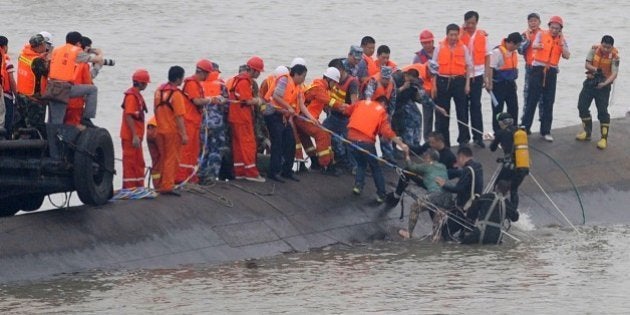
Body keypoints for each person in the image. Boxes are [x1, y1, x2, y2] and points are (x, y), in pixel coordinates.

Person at [346, 96, 409, 203]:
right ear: (383, 104)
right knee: (375, 167)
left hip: (351, 140)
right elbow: (387, 131)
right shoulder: (381, 112)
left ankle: (358, 186)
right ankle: (381, 194)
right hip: (366, 143)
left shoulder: (361, 103)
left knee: (361, 164)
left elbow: (347, 110)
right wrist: (401, 144)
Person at [520, 16, 570, 142]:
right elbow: (535, 45)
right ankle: (525, 127)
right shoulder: (541, 34)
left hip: (551, 71)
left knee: (549, 101)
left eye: (557, 28)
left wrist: (562, 43)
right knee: (532, 99)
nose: (554, 30)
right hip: (537, 69)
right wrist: (540, 45)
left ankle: (546, 131)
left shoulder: (562, 40)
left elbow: (567, 55)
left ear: (560, 29)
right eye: (552, 27)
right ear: (549, 27)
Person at [392, 149, 454, 239]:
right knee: (438, 214)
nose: (423, 159)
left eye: (425, 157)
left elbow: (411, 167)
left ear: (429, 158)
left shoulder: (427, 165)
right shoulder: (443, 166)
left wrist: (407, 155)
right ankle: (436, 237)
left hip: (435, 194)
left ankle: (409, 233)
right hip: (448, 196)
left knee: (415, 207)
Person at [47, 31, 103, 126]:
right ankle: (87, 117)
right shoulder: (77, 53)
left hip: (51, 88)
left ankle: (50, 138)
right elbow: (97, 60)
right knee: (93, 89)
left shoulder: (57, 50)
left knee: (54, 121)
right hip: (66, 91)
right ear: (78, 43)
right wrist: (99, 53)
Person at [431, 23, 473, 147]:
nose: (453, 37)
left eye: (455, 35)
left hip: (459, 81)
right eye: (451, 35)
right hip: (443, 81)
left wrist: (467, 84)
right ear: (447, 35)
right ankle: (444, 143)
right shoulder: (439, 48)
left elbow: (469, 66)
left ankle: (463, 140)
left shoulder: (463, 48)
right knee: (443, 113)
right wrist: (434, 86)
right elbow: (433, 68)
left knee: (462, 112)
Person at [298, 67, 345, 173]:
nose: (334, 86)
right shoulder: (319, 88)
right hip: (305, 118)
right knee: (322, 135)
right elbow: (328, 101)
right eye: (334, 83)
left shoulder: (318, 86)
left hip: (304, 117)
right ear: (330, 80)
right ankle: (326, 165)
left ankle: (315, 161)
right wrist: (342, 106)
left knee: (318, 136)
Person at [176, 59, 216, 184]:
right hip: (188, 121)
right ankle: (181, 177)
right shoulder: (191, 83)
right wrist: (211, 100)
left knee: (194, 150)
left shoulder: (197, 84)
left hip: (195, 121)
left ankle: (191, 175)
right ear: (204, 72)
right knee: (186, 150)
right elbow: (197, 101)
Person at [575, 35, 619, 150]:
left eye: (608, 48)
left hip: (604, 85)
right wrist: (596, 70)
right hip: (591, 81)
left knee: (602, 112)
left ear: (612, 47)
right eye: (604, 46)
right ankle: (587, 132)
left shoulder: (615, 56)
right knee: (582, 106)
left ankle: (603, 138)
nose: (605, 49)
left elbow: (614, 73)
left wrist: (605, 83)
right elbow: (587, 64)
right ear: (601, 44)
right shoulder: (594, 49)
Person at [267, 63, 309, 182]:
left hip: (283, 116)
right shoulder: (285, 80)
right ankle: (273, 172)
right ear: (296, 74)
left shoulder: (298, 86)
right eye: (303, 76)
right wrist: (288, 107)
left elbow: (301, 105)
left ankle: (287, 171)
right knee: (278, 143)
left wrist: (312, 119)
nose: (304, 79)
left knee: (291, 142)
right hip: (273, 114)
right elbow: (276, 96)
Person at [228, 56, 266, 182]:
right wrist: (258, 100)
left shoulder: (236, 79)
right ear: (254, 70)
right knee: (248, 145)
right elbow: (246, 100)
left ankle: (240, 171)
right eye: (259, 71)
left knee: (238, 145)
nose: (259, 74)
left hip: (235, 117)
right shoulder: (244, 82)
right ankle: (251, 173)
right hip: (242, 118)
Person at [435, 146, 483, 240]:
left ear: (461, 157)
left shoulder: (467, 170)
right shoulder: (478, 166)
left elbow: (459, 189)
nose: (457, 162)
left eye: (458, 159)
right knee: (464, 236)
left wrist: (444, 185)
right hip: (474, 208)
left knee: (446, 232)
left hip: (464, 209)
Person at [392, 68, 444, 153]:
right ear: (406, 75)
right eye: (409, 79)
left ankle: (416, 143)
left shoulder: (415, 83)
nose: (409, 81)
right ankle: (409, 146)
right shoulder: (396, 79)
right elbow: (391, 94)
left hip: (406, 100)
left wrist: (437, 107)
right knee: (406, 123)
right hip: (395, 103)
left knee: (417, 116)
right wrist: (403, 88)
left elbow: (424, 97)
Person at [154, 66, 188, 196]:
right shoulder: (176, 94)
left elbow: (155, 110)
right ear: (178, 79)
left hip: (159, 129)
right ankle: (168, 185)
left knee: (163, 157)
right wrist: (184, 134)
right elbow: (179, 116)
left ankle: (161, 184)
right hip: (171, 131)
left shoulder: (159, 91)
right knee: (171, 158)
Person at [459, 11, 491, 148]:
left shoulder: (482, 36)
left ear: (477, 23)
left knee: (476, 106)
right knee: (462, 107)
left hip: (477, 75)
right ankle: (463, 138)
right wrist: (461, 29)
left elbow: (487, 56)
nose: (471, 25)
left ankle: (478, 136)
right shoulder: (459, 35)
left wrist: (487, 77)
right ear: (464, 22)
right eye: (468, 23)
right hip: (463, 75)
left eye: (473, 23)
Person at [325, 58, 359, 173]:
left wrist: (346, 108)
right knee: (323, 133)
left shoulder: (352, 82)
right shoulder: (333, 80)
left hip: (345, 118)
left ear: (340, 70)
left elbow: (354, 103)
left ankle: (354, 166)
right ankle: (335, 160)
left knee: (349, 143)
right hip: (333, 116)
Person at [460, 180, 520, 245]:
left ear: (496, 187)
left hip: (480, 232)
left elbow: (471, 212)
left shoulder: (485, 197)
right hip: (496, 237)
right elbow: (515, 218)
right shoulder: (507, 204)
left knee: (462, 245)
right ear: (507, 192)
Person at [198, 62, 230, 184]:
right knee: (216, 150)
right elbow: (227, 106)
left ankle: (200, 174)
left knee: (203, 149)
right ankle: (211, 176)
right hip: (217, 124)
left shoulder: (198, 84)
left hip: (202, 123)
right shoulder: (221, 85)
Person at [489, 113, 528, 209]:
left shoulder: (500, 133)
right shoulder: (520, 132)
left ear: (502, 123)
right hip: (523, 166)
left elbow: (492, 148)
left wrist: (494, 139)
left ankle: (496, 210)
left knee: (497, 187)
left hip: (509, 166)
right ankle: (513, 211)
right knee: (514, 189)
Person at [15, 34, 50, 138]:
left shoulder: (23, 55)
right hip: (33, 99)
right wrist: (48, 60)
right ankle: (35, 147)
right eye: (44, 44)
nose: (46, 47)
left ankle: (17, 143)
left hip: (21, 95)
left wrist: (40, 57)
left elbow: (32, 66)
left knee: (22, 123)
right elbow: (47, 72)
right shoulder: (37, 61)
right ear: (39, 46)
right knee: (35, 126)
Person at [120, 69, 150, 189]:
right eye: (146, 83)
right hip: (131, 137)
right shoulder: (132, 97)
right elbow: (128, 115)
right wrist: (134, 135)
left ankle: (138, 186)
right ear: (142, 83)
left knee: (139, 162)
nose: (147, 85)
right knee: (130, 162)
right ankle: (130, 187)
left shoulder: (136, 96)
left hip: (136, 136)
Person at [488, 32, 523, 134]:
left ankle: (513, 130)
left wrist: (514, 83)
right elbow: (490, 68)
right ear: (512, 43)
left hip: (510, 84)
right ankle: (497, 132)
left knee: (513, 107)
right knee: (497, 110)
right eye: (517, 45)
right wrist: (489, 83)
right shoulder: (497, 52)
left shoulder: (513, 52)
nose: (518, 48)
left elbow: (512, 69)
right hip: (498, 85)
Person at [363, 66, 397, 162]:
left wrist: (390, 115)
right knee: (370, 136)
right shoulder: (373, 82)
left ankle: (389, 156)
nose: (386, 81)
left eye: (388, 78)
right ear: (381, 76)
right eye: (384, 78)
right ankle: (371, 158)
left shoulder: (392, 82)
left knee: (386, 135)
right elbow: (368, 97)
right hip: (372, 112)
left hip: (384, 111)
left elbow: (393, 99)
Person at [64, 36, 96, 127]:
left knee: (62, 125)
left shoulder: (66, 60)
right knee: (73, 127)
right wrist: (97, 67)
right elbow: (88, 83)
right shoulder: (83, 65)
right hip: (76, 103)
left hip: (61, 99)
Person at [412, 30, 436, 142]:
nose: (427, 45)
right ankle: (428, 141)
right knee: (428, 117)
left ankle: (440, 140)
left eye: (429, 42)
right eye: (424, 43)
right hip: (426, 91)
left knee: (441, 117)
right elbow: (415, 77)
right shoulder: (418, 58)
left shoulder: (439, 53)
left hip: (439, 89)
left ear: (433, 41)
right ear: (421, 44)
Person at [518, 13, 543, 123]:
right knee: (528, 95)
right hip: (530, 68)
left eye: (535, 21)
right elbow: (520, 50)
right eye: (531, 21)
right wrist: (528, 39)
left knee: (543, 96)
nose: (533, 23)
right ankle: (525, 123)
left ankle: (543, 121)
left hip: (543, 68)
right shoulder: (524, 35)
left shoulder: (544, 34)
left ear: (539, 22)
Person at [1, 36, 17, 138]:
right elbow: (11, 80)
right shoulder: (6, 61)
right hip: (6, 96)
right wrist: (17, 94)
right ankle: (7, 141)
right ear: (4, 47)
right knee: (7, 119)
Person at [146, 116, 162, 188]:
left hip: (150, 127)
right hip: (159, 128)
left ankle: (157, 185)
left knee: (155, 161)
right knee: (165, 158)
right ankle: (163, 185)